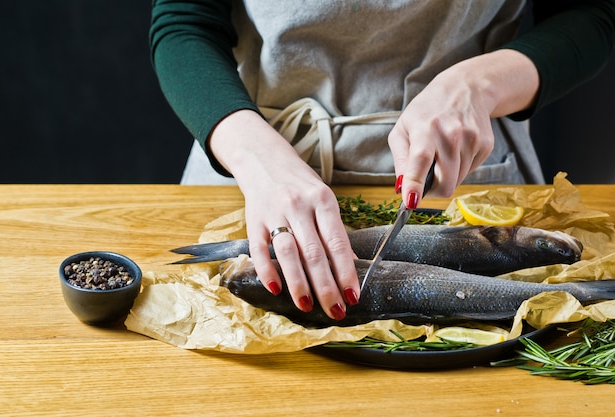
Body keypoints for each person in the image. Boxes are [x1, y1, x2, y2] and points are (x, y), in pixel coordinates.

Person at [150, 0, 615, 321]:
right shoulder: (251, 159)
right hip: (248, 163)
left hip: (465, 167)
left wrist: (482, 84)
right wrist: (255, 156)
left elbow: (594, 12)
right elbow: (183, 18)